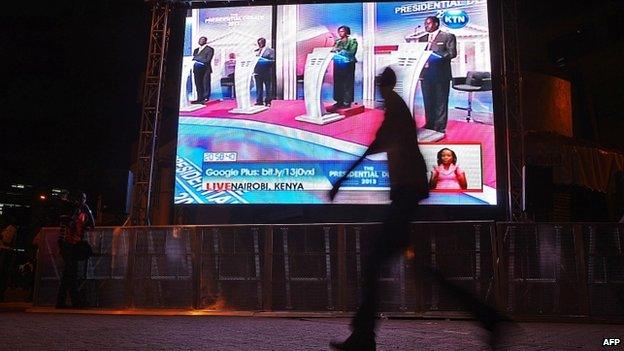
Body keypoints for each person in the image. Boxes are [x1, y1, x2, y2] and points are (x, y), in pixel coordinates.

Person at [329, 67, 505, 350]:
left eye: (379, 83)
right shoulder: (395, 109)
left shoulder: (395, 110)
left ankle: (364, 336)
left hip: (406, 195)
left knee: (376, 263)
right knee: (420, 270)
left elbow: (374, 146)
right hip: (407, 195)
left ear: (382, 84)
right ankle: (487, 318)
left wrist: (342, 179)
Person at [56, 192, 95, 308]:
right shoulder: (69, 209)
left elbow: (92, 225)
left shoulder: (83, 212)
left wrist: (87, 211)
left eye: (84, 198)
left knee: (69, 273)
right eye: (80, 198)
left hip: (74, 244)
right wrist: (77, 211)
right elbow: (68, 223)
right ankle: (74, 301)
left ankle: (62, 301)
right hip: (66, 243)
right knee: (71, 272)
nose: (82, 201)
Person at [418, 16, 457, 134]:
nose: (426, 25)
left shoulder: (448, 36)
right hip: (426, 75)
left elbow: (452, 53)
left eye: (428, 23)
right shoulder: (422, 38)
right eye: (425, 23)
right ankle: (429, 124)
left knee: (440, 101)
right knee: (428, 100)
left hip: (441, 75)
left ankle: (439, 127)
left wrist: (435, 57)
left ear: (435, 24)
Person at [331, 25, 358, 109]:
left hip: (348, 64)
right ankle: (339, 101)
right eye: (339, 31)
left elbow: (352, 52)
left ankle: (347, 102)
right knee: (338, 83)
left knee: (347, 83)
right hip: (338, 64)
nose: (340, 33)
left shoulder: (352, 41)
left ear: (347, 32)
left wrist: (340, 50)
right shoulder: (337, 41)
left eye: (342, 31)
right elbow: (333, 50)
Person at [191, 36, 214, 104]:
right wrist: (197, 58)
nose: (200, 41)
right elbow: (193, 58)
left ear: (205, 41)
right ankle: (199, 98)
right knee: (198, 84)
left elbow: (207, 60)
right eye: (199, 40)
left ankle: (205, 98)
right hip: (196, 69)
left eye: (202, 40)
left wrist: (197, 58)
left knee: (205, 83)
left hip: (205, 69)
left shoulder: (210, 49)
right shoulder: (196, 50)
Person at [254, 38, 275, 106]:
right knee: (258, 87)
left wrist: (263, 60)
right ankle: (259, 101)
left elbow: (272, 60)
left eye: (261, 42)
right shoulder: (256, 51)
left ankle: (268, 101)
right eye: (259, 43)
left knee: (268, 87)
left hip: (266, 71)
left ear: (264, 42)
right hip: (257, 71)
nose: (260, 44)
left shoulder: (270, 50)